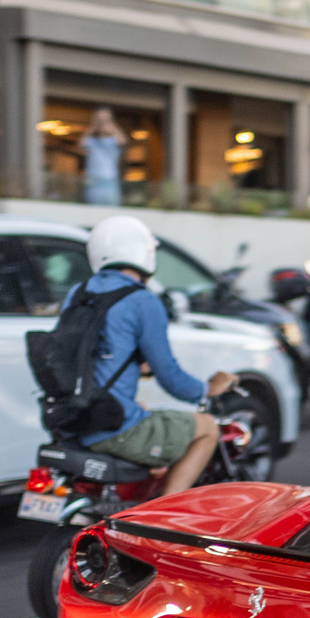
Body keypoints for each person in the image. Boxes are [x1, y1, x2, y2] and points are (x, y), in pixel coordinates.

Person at [71, 215, 234, 496]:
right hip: (111, 429)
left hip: (71, 420)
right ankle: (165, 521)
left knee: (144, 412)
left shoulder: (78, 292)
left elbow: (93, 352)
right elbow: (170, 376)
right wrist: (207, 389)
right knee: (207, 428)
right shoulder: (143, 300)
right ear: (143, 252)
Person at [82, 107, 125, 207]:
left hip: (110, 184)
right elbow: (81, 144)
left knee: (111, 214)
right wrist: (93, 126)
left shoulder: (114, 141)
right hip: (93, 184)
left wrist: (110, 125)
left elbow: (123, 141)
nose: (102, 123)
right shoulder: (92, 141)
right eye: (99, 120)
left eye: (105, 120)